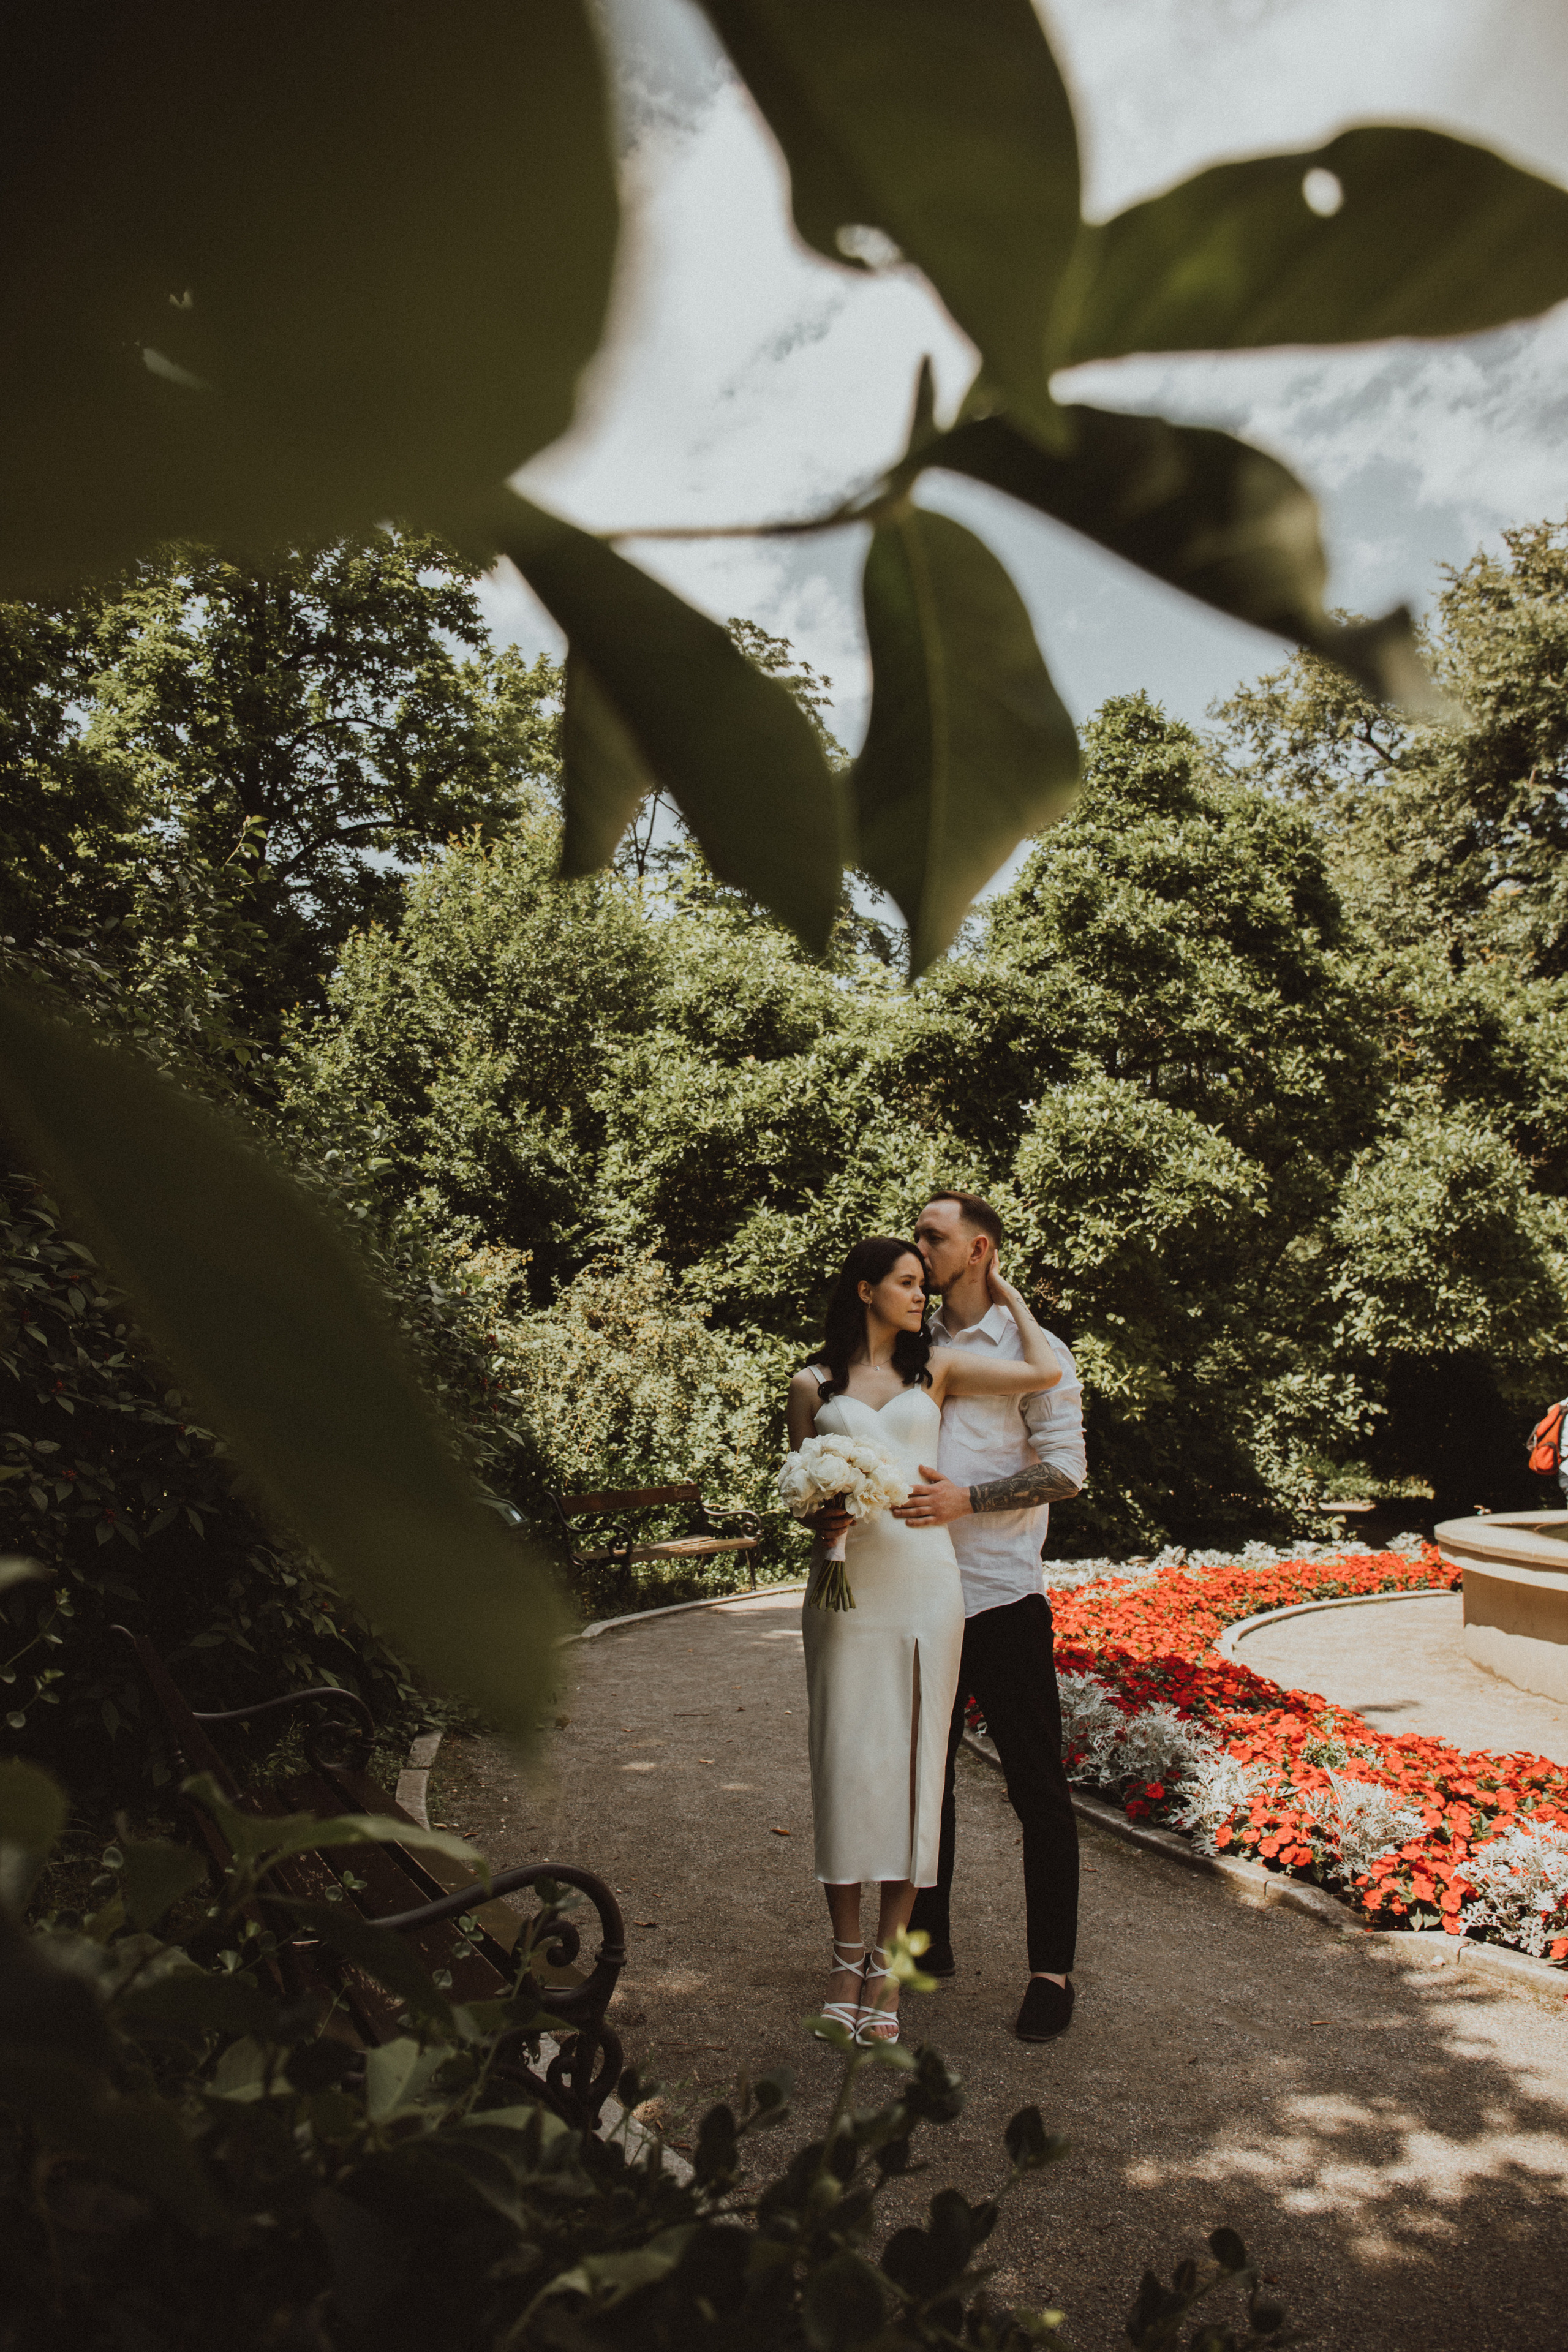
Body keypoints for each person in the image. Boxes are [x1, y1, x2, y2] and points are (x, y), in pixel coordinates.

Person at [786, 1235, 1062, 2046]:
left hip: (927, 1587)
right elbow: (797, 1494)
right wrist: (819, 1513)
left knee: (916, 1771)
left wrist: (1005, 1286)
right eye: (907, 1284)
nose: (922, 1295)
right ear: (865, 1290)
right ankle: (843, 1960)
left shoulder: (932, 1370)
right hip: (844, 1590)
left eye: (923, 1282)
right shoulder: (811, 1384)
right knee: (845, 1763)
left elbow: (1042, 1372)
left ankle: (887, 1964)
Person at [894, 1191, 1087, 2043]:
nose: (919, 1248)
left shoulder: (1034, 1352)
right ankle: (927, 1942)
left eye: (932, 1237)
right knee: (922, 1785)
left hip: (1004, 1596)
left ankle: (1052, 1973)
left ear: (977, 1250)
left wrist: (967, 1499)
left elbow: (1068, 1473)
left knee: (1037, 1791)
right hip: (918, 1594)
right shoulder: (907, 1343)